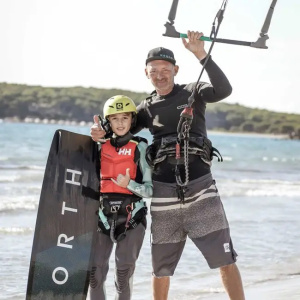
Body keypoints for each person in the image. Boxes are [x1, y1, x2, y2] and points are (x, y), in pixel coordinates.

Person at [91, 31, 245, 300]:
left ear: (175, 69)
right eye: (154, 71)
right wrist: (100, 131)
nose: (160, 75)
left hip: (201, 191)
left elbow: (224, 90)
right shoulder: (147, 107)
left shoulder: (193, 92)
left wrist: (200, 53)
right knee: (161, 268)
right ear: (146, 73)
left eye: (165, 69)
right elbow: (120, 130)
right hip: (163, 195)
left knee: (224, 258)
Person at [89, 95, 153, 300]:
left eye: (124, 118)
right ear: (108, 121)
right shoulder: (99, 145)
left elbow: (151, 190)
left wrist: (130, 185)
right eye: (115, 119)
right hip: (101, 216)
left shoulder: (141, 146)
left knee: (123, 274)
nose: (120, 123)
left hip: (132, 217)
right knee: (94, 274)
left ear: (132, 120)